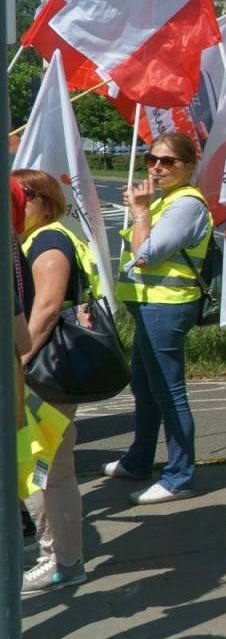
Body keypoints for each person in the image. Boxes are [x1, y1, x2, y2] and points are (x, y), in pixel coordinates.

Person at [105, 132, 212, 503]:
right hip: (150, 305)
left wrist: (140, 212)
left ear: (189, 166)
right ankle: (139, 460)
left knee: (169, 393)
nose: (157, 167)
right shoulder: (168, 199)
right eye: (153, 159)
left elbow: (146, 255)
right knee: (145, 388)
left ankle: (179, 476)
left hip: (166, 307)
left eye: (168, 162)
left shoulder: (186, 204)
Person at [16, 169, 102, 593]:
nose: (14, 202)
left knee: (48, 468)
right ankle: (59, 555)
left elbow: (48, 309)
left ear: (45, 202)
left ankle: (62, 561)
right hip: (47, 373)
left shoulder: (49, 242)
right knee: (47, 464)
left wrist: (19, 361)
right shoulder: (41, 238)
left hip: (44, 374)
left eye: (22, 195)